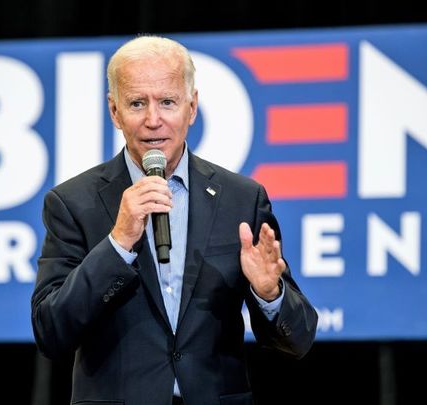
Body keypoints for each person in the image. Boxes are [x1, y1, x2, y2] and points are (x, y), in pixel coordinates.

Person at [31, 35, 318, 405]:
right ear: (115, 111)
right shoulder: (73, 203)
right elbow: (51, 331)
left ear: (192, 106)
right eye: (137, 103)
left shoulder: (241, 200)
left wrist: (269, 294)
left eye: (167, 102)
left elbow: (298, 338)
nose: (154, 120)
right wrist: (117, 244)